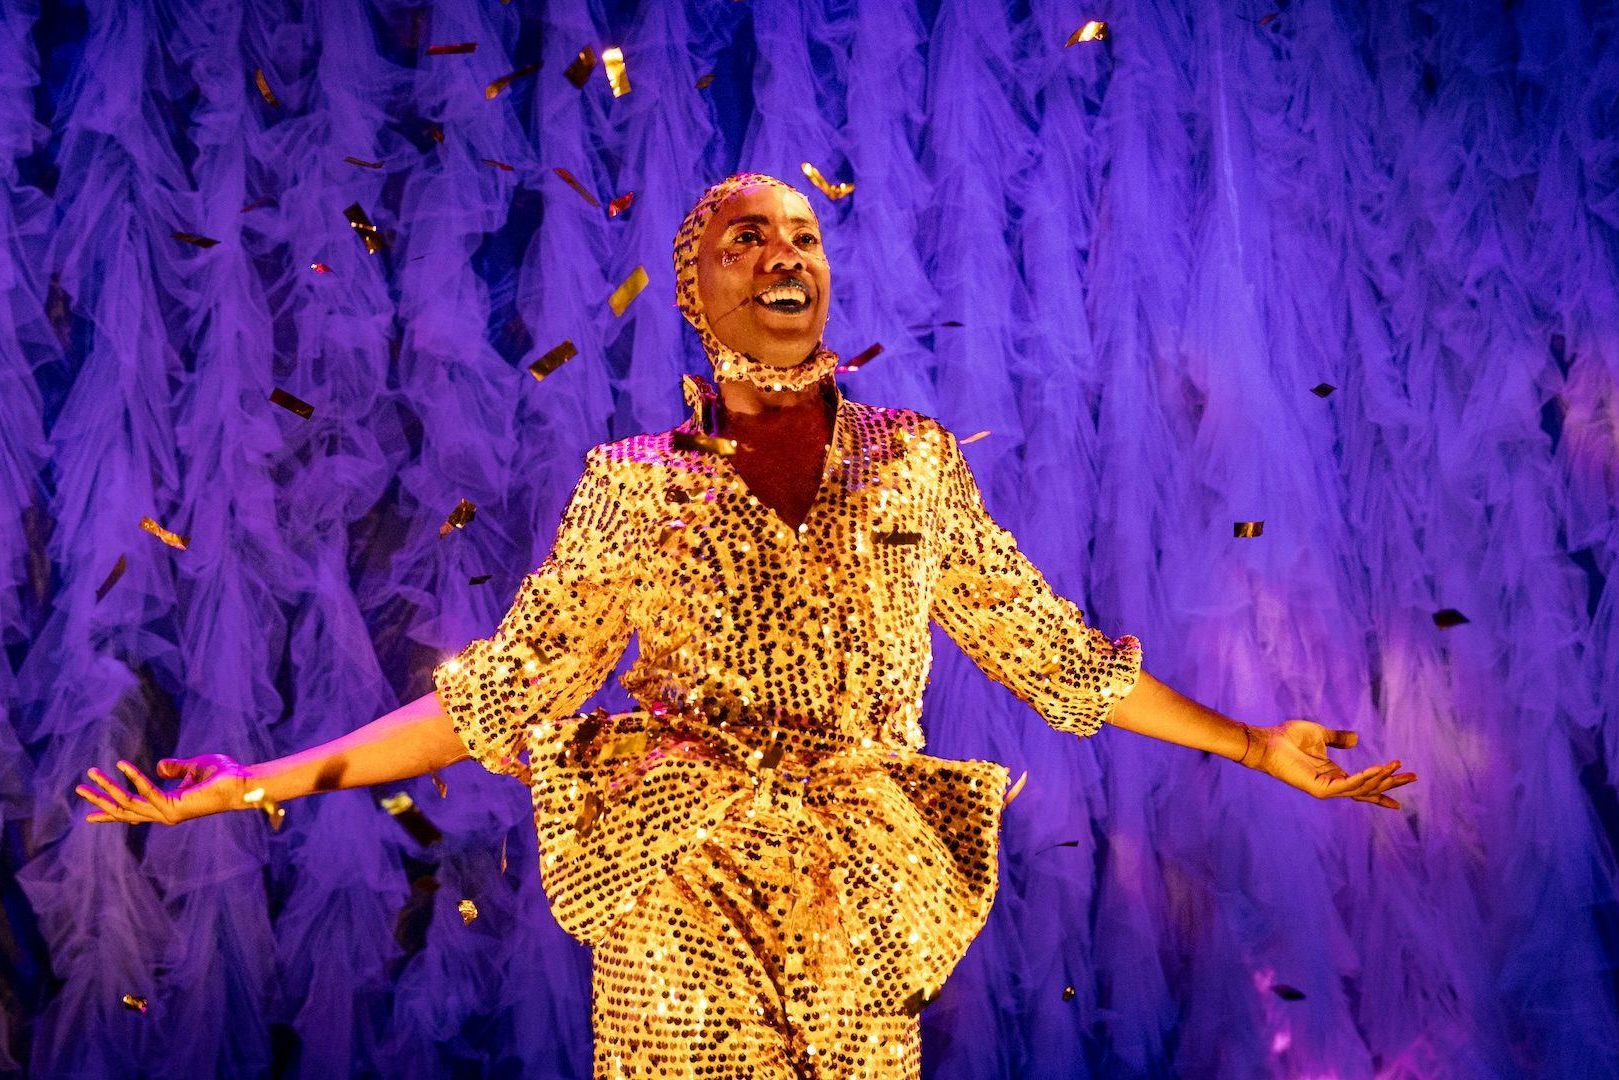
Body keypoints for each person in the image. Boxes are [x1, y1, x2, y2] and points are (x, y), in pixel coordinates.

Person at [79, 173, 1416, 1079]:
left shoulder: (915, 462)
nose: (786, 254)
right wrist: (255, 783)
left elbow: (1050, 658)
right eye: (748, 239)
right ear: (696, 290)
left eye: (806, 238)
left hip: (853, 895)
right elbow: (497, 699)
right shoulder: (634, 482)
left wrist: (1254, 744)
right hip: (680, 891)